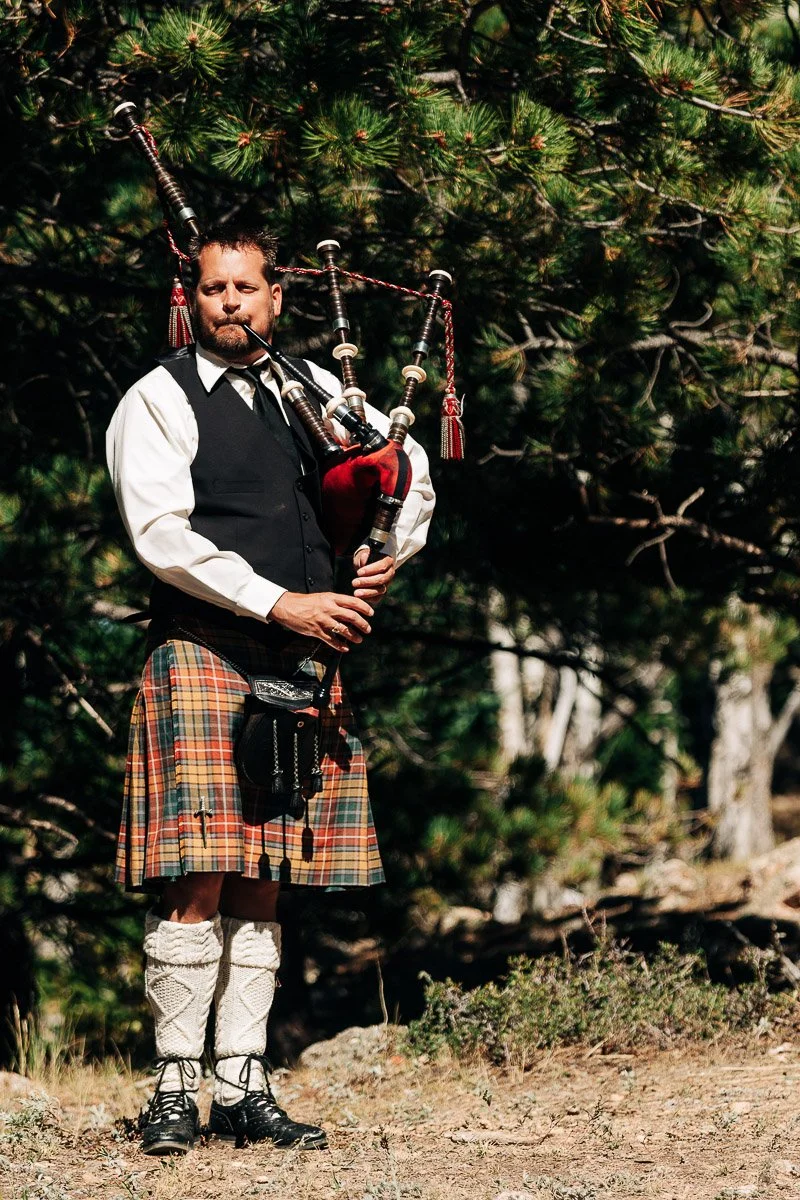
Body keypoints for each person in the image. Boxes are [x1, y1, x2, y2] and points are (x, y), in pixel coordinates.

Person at [106, 225, 435, 1156]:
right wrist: (281, 601)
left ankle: (243, 1081)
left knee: (267, 876)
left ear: (277, 296)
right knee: (199, 873)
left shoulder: (322, 393)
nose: (232, 304)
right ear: (191, 298)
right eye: (215, 289)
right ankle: (175, 1085)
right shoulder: (156, 400)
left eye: (247, 288)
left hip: (305, 660)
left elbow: (407, 482)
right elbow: (161, 536)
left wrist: (383, 558)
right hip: (207, 646)